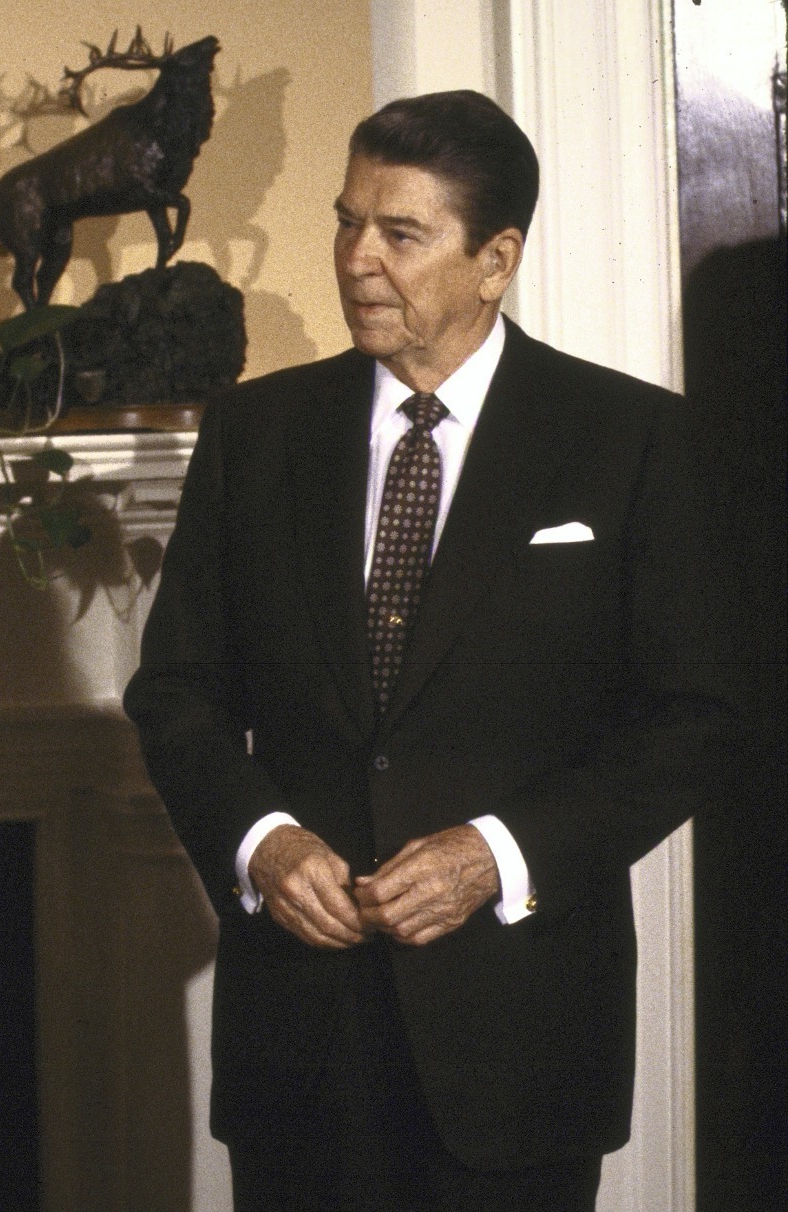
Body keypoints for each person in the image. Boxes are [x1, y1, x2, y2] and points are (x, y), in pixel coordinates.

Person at [124, 91, 740, 1211]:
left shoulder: (631, 440)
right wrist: (258, 841)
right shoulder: (252, 435)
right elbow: (174, 692)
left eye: (398, 233)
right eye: (345, 219)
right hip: (299, 1041)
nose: (356, 258)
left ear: (493, 258)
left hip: (520, 1037)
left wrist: (492, 856)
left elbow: (693, 720)